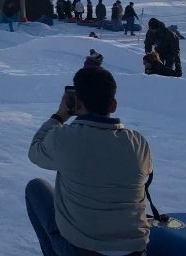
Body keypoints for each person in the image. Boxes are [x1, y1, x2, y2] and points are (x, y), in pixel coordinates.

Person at [26, 67, 152, 256]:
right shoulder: (138, 142)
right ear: (113, 105)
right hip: (134, 250)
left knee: (35, 188)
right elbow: (146, 171)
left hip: (81, 249)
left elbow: (35, 150)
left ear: (76, 102)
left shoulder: (64, 138)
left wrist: (59, 116)